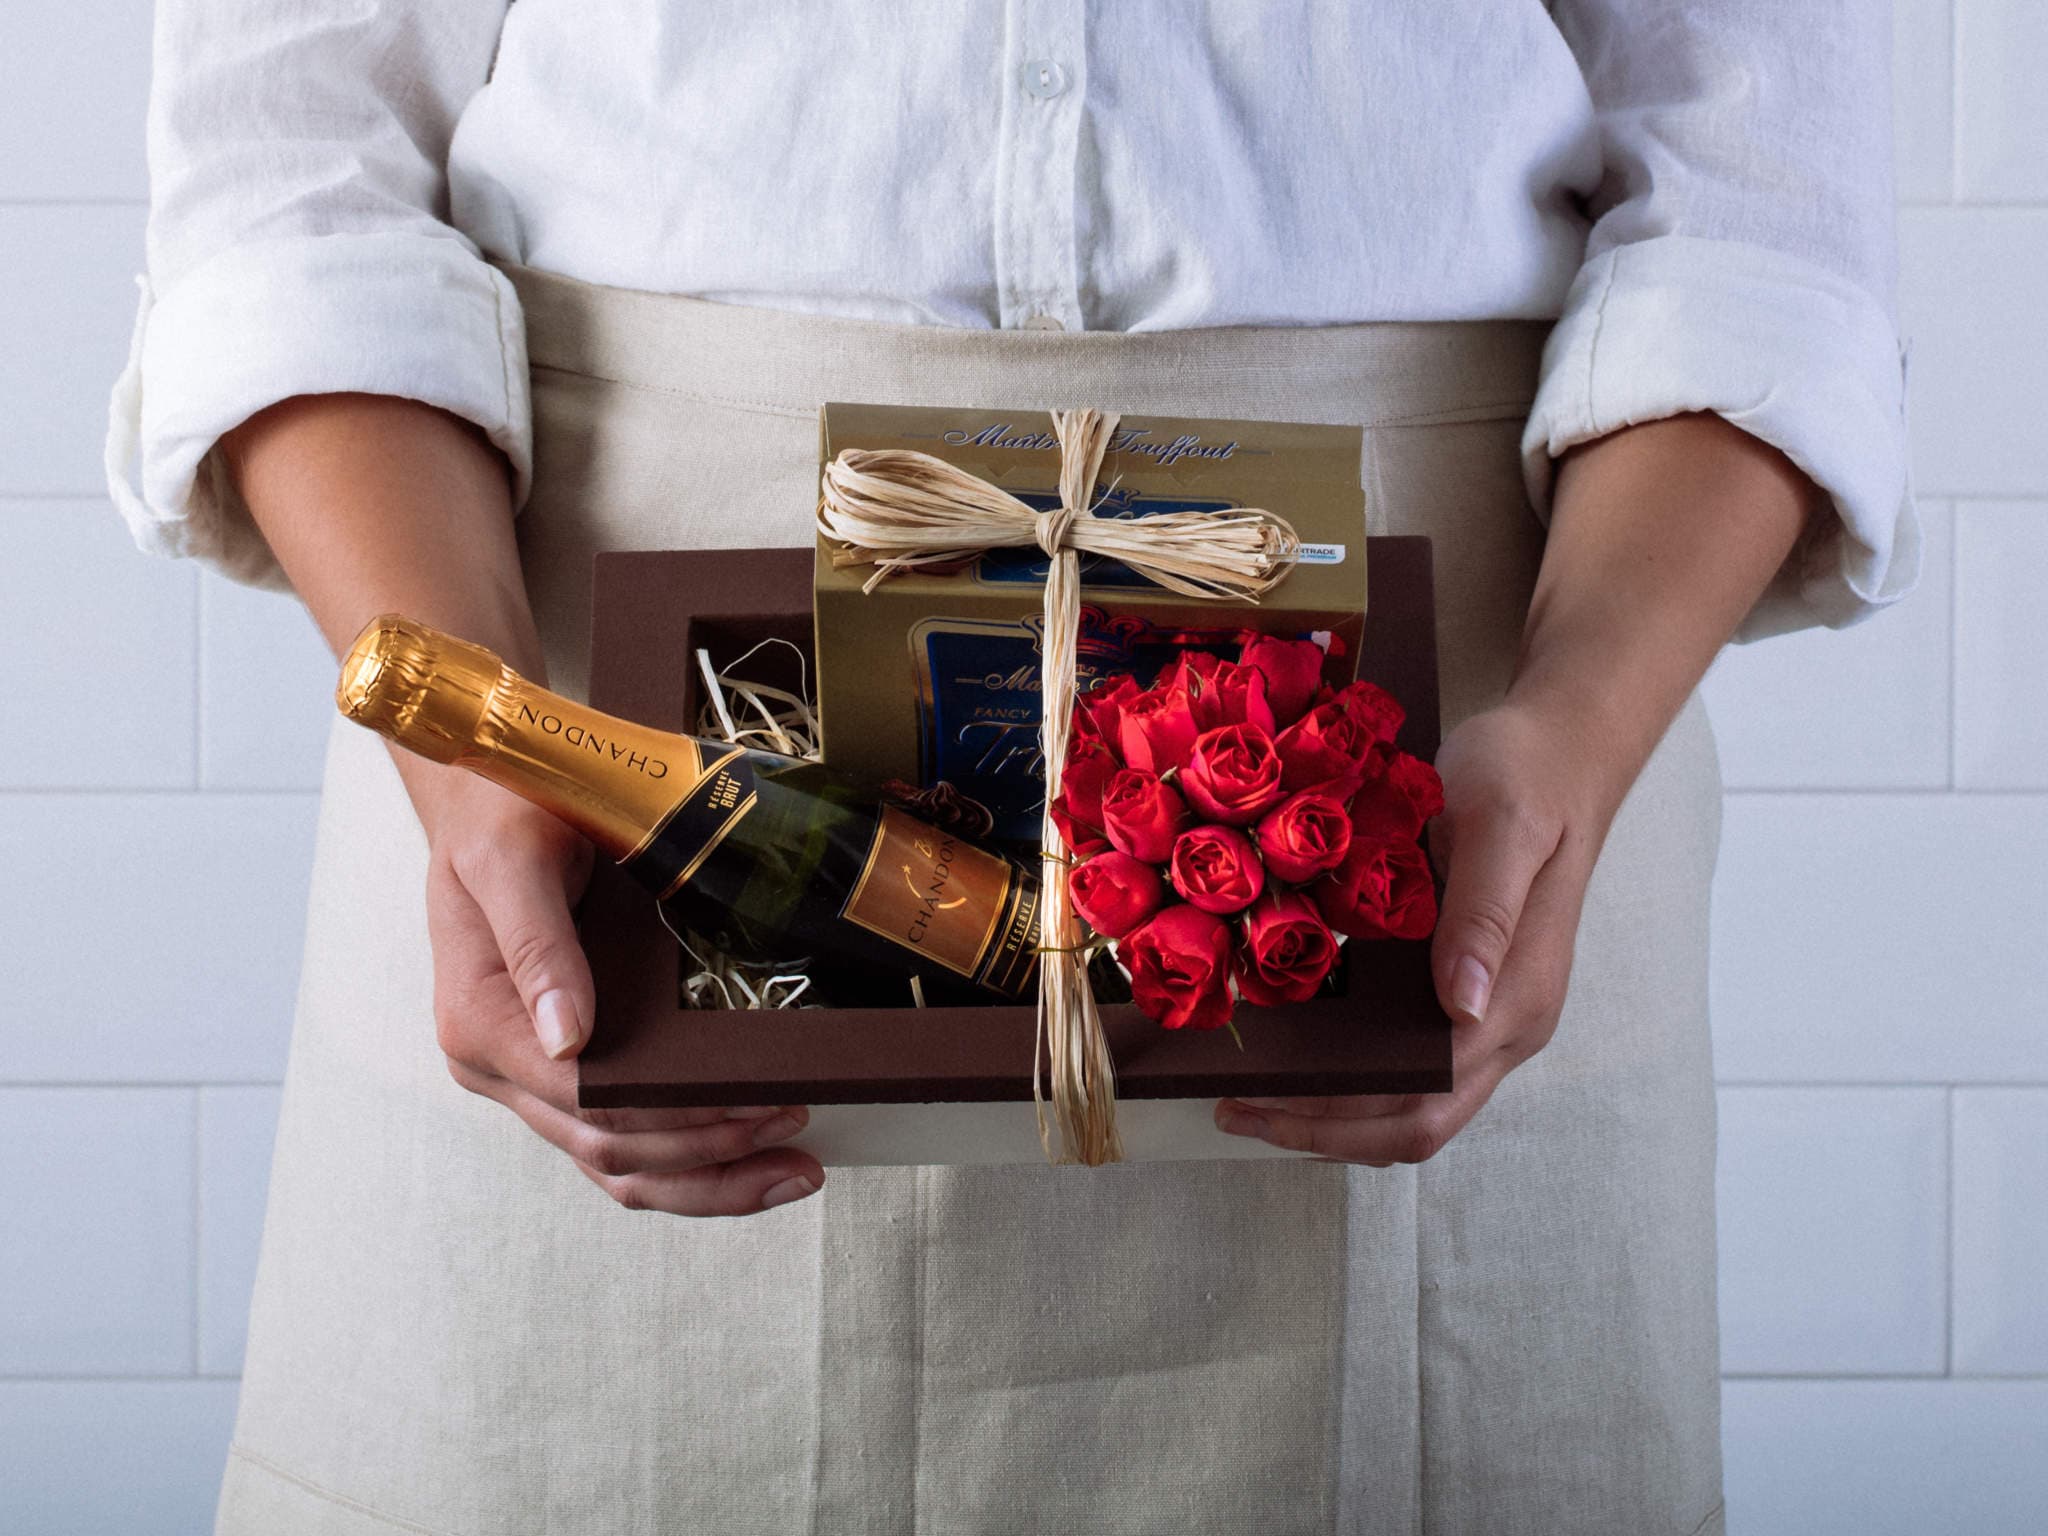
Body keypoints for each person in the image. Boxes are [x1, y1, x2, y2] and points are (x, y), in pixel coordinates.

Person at [106, 3, 1913, 1531]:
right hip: (599, 709)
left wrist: (1581, 723)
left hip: (1452, 739)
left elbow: (1754, 210)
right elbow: (294, 167)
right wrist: (472, 727)